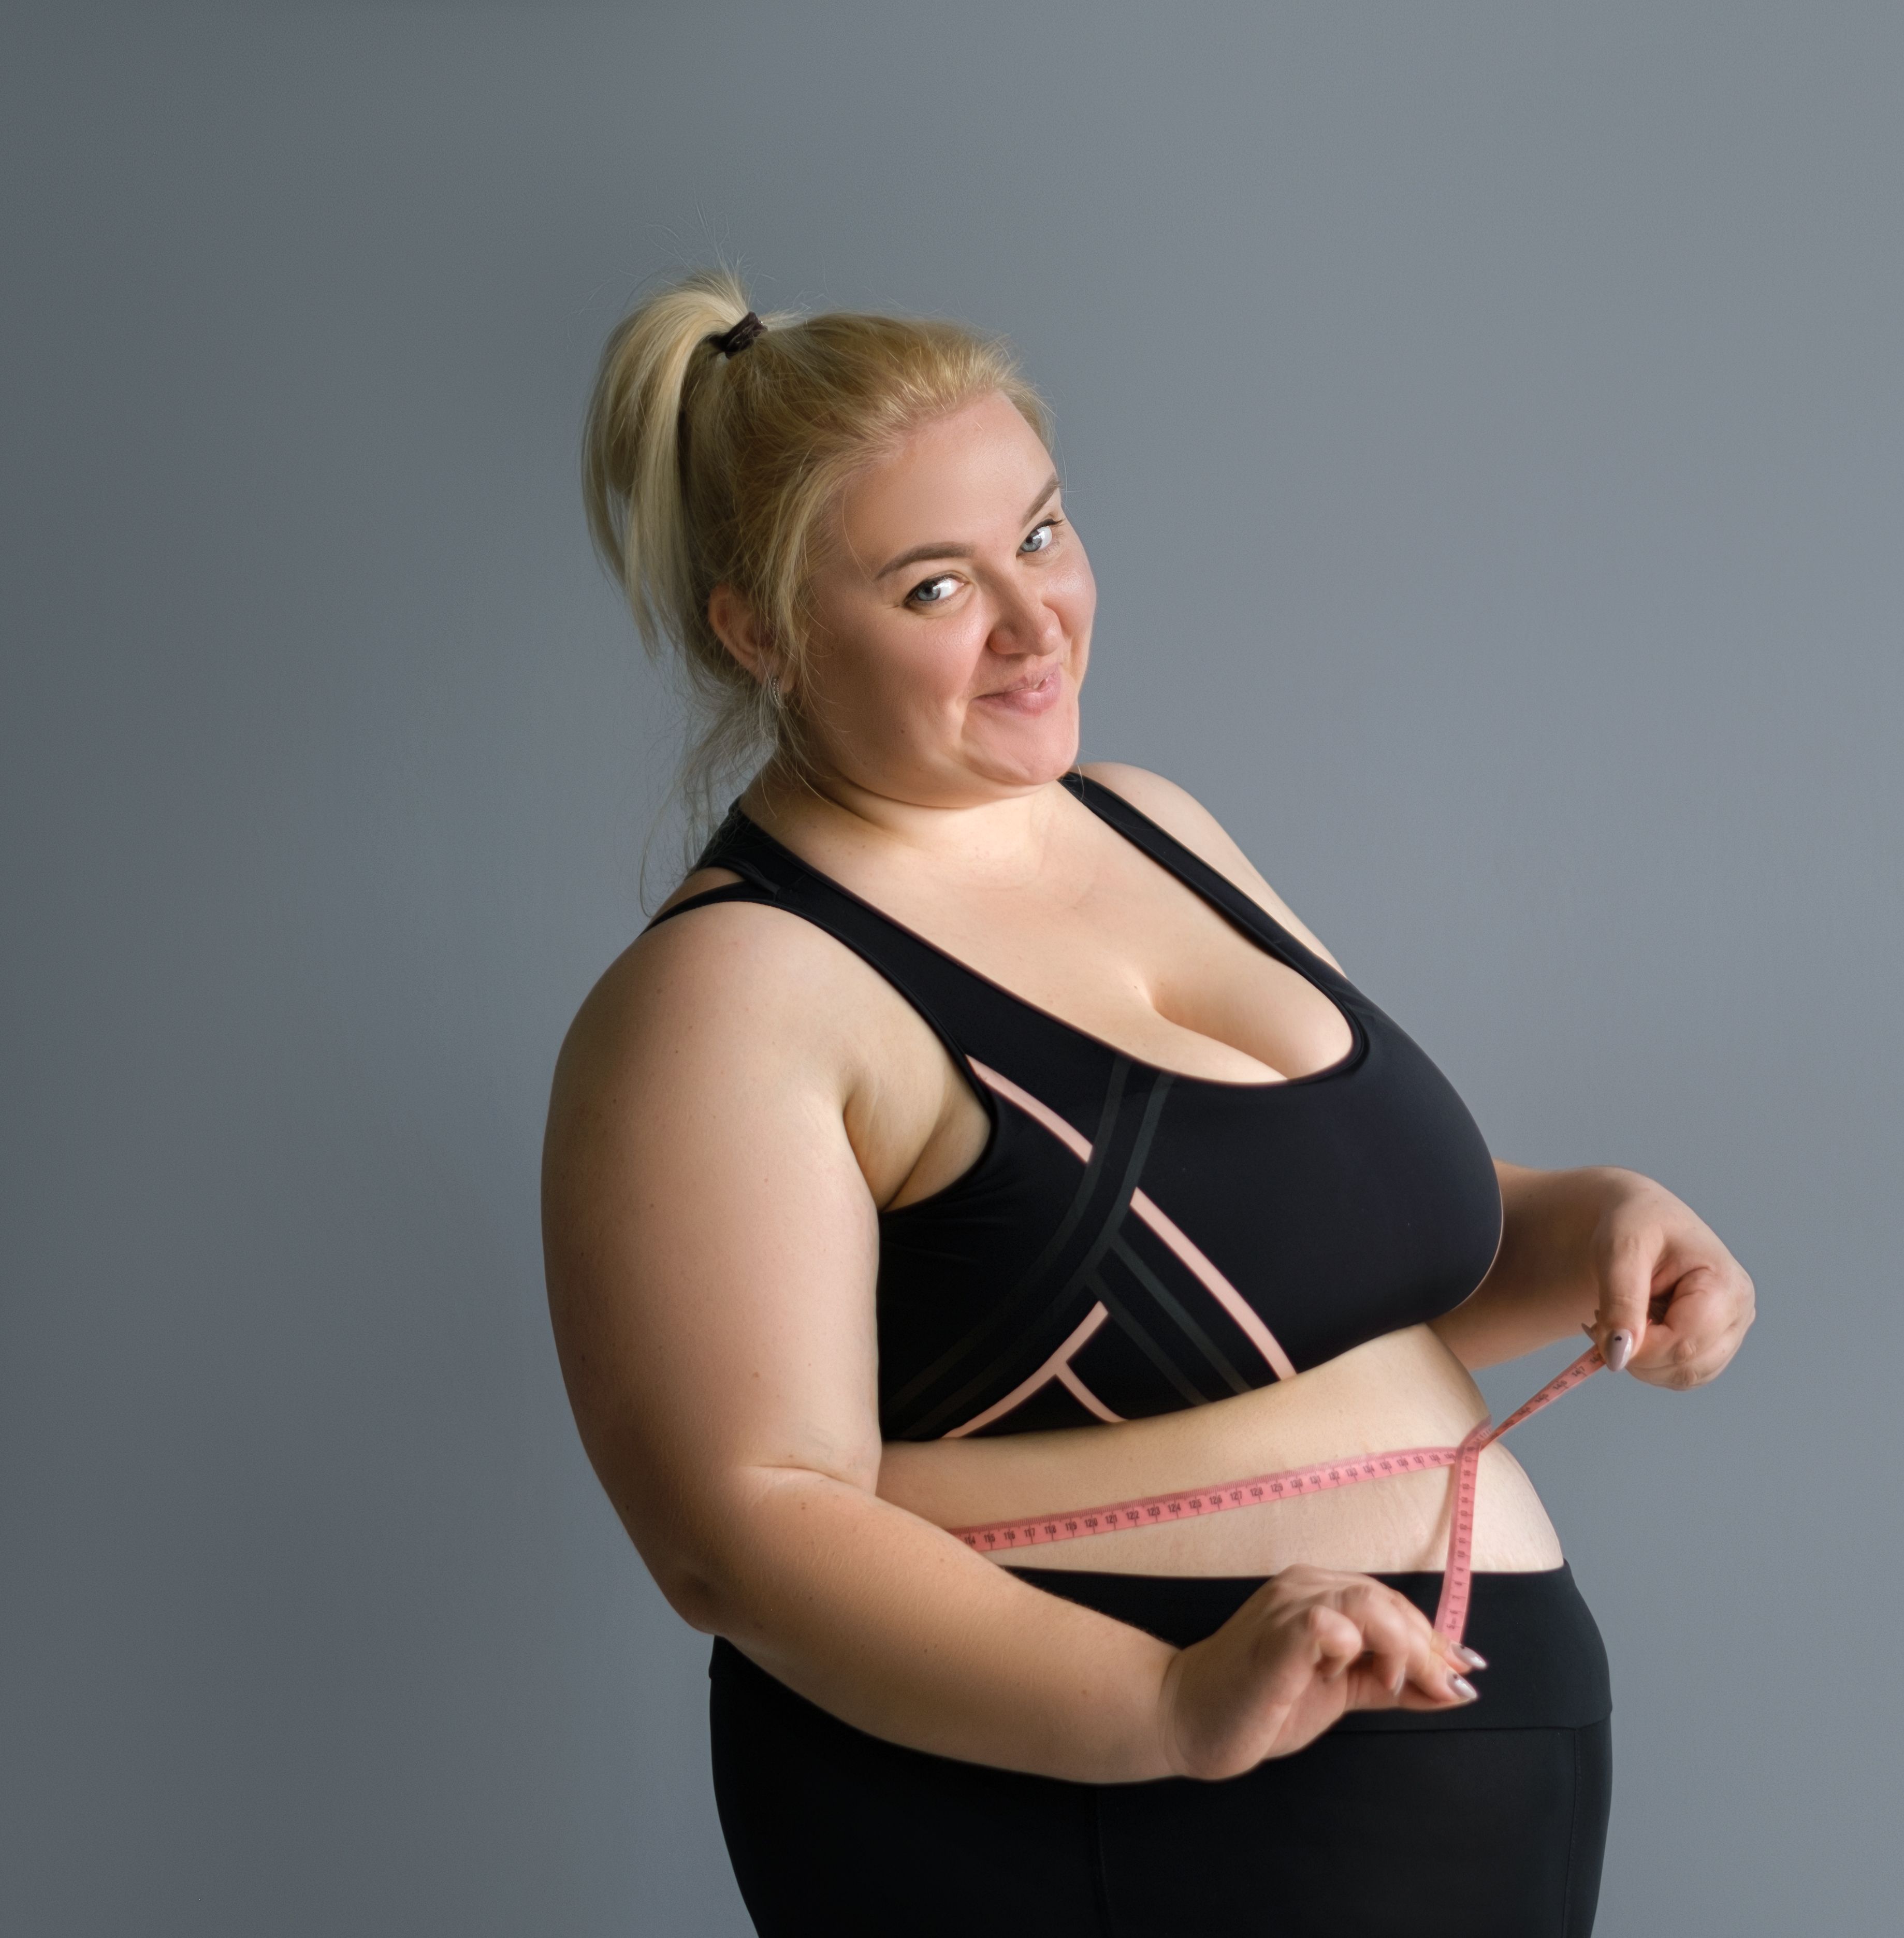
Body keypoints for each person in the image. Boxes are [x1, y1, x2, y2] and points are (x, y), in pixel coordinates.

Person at [543, 268, 1755, 1936]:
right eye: (935, 586)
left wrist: (1592, 1231)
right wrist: (1172, 1706)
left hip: (1441, 1796)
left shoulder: (1150, 826)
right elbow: (737, 1528)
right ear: (759, 633)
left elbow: (1276, 1286)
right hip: (1073, 1825)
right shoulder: (734, 993)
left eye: (1040, 537)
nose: (1033, 624)